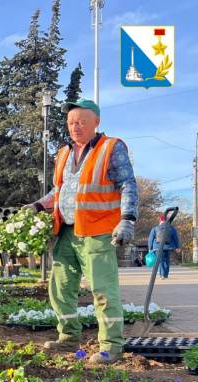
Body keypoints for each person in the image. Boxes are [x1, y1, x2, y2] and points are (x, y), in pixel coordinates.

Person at [24, 98, 138, 364]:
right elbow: (60, 190)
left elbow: (128, 185)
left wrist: (128, 219)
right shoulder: (64, 152)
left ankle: (111, 346)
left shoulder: (111, 148)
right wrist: (39, 205)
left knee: (102, 288)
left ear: (96, 122)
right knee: (60, 288)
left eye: (81, 122)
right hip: (66, 231)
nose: (75, 127)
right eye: (71, 123)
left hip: (98, 231)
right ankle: (68, 338)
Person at [148, 214, 181, 279]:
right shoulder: (171, 228)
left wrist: (150, 248)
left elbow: (151, 239)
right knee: (167, 261)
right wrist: (177, 247)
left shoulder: (155, 228)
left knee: (160, 261)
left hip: (157, 247)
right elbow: (175, 238)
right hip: (168, 247)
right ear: (166, 220)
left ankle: (161, 275)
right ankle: (165, 275)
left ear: (160, 220)